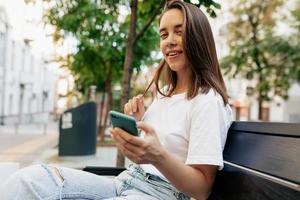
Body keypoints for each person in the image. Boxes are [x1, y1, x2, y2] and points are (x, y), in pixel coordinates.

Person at [0, 1, 232, 199]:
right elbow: (160, 144)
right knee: (29, 180)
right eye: (163, 34)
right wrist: (136, 123)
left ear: (198, 37)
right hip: (126, 180)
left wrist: (157, 156)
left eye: (179, 32)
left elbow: (202, 189)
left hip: (162, 193)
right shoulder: (166, 92)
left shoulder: (208, 100)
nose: (169, 41)